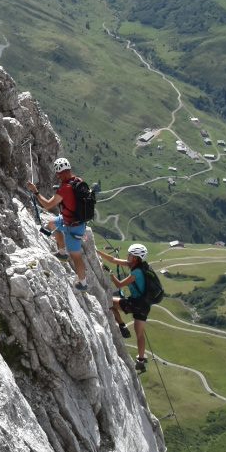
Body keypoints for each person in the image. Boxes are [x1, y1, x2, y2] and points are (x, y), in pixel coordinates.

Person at [27, 157, 90, 290]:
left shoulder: (65, 188)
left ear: (60, 173)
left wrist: (36, 192)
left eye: (58, 174)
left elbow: (47, 205)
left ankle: (83, 284)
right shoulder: (78, 181)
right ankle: (62, 252)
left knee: (76, 257)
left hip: (73, 226)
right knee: (52, 223)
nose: (58, 176)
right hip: (73, 220)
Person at [101, 243, 153, 372]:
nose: (127, 255)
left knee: (109, 301)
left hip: (135, 303)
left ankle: (122, 325)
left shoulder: (136, 272)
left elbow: (119, 285)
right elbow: (113, 259)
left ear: (135, 258)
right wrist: (97, 252)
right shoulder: (143, 267)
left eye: (130, 254)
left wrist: (110, 273)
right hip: (145, 305)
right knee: (140, 334)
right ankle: (141, 361)